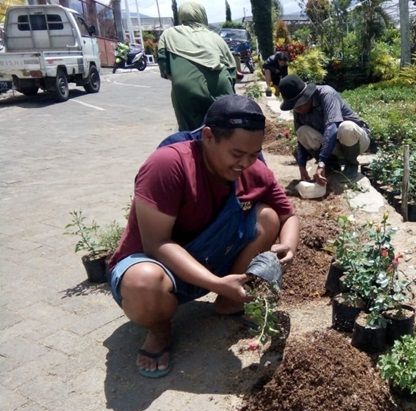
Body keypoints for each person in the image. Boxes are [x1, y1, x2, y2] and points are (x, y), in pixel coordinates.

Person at [108, 95, 300, 378]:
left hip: (212, 258)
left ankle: (228, 303)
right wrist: (217, 283)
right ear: (208, 136)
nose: (246, 163)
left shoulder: (253, 169)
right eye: (237, 154)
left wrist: (288, 245)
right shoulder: (169, 165)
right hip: (160, 264)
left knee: (267, 217)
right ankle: (160, 330)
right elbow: (157, 243)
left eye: (253, 153)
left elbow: (288, 216)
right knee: (143, 282)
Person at [157, 1, 238, 131]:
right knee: (225, 131)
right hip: (221, 86)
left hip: (185, 88)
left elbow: (163, 65)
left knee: (191, 134)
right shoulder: (215, 37)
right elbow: (232, 67)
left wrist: (180, 77)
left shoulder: (168, 34)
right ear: (203, 15)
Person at [278, 74, 371, 185]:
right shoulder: (298, 111)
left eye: (299, 105)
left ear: (307, 96)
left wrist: (321, 163)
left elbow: (332, 128)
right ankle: (331, 165)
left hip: (357, 142)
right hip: (334, 146)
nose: (297, 109)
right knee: (302, 131)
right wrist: (302, 165)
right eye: (294, 107)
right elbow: (301, 140)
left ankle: (351, 164)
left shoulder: (327, 94)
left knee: (346, 127)